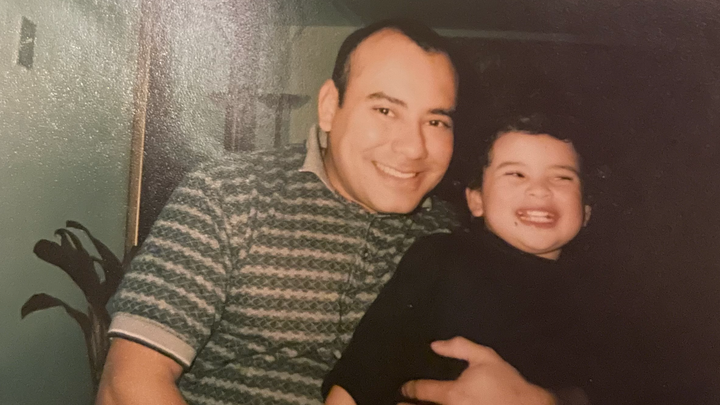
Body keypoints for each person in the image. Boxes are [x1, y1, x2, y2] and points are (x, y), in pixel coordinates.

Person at [96, 18, 569, 405]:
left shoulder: (459, 237)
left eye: (435, 120)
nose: (413, 147)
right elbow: (127, 386)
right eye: (385, 111)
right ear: (329, 107)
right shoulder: (229, 194)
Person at [323, 112, 597, 405]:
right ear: (476, 200)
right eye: (516, 174)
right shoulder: (442, 258)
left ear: (586, 211)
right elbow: (366, 366)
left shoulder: (598, 297)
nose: (540, 190)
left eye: (562, 177)